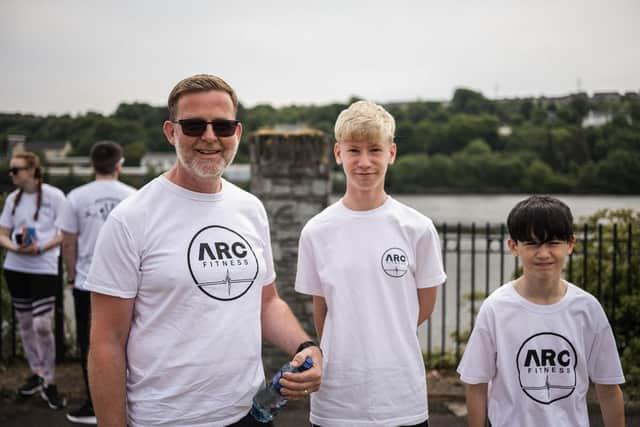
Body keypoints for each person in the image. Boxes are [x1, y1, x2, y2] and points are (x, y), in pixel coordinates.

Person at [85, 74, 323, 427]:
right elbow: (107, 341)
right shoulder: (131, 219)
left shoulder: (250, 209)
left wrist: (306, 347)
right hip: (164, 419)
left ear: (237, 134)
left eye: (223, 126)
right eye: (195, 125)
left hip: (250, 414)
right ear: (171, 132)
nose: (210, 137)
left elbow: (267, 302)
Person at [295, 101, 447, 426]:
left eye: (375, 150)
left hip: (401, 396)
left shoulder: (417, 228)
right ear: (338, 154)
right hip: (337, 400)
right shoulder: (317, 231)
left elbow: (424, 307)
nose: (364, 162)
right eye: (354, 151)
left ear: (391, 153)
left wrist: (385, 334)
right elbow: (322, 312)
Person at [457, 195, 626, 427]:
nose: (543, 253)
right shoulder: (496, 308)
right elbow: (476, 385)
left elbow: (608, 388)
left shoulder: (587, 309)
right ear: (513, 246)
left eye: (553, 243)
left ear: (570, 244)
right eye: (533, 244)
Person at [56, 141, 136, 424]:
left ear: (92, 165)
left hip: (87, 281)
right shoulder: (133, 196)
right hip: (127, 282)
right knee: (126, 341)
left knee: (91, 342)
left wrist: (70, 274)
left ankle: (94, 404)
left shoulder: (76, 197)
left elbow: (68, 241)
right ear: (119, 164)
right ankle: (128, 401)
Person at [0, 151, 67, 409]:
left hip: (44, 266)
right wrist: (14, 248)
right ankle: (37, 373)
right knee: (26, 324)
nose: (12, 174)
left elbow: (65, 233)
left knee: (41, 324)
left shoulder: (54, 196)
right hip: (16, 267)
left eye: (16, 170)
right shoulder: (13, 199)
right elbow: (3, 233)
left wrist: (42, 247)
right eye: (11, 170)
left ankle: (49, 380)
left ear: (31, 171)